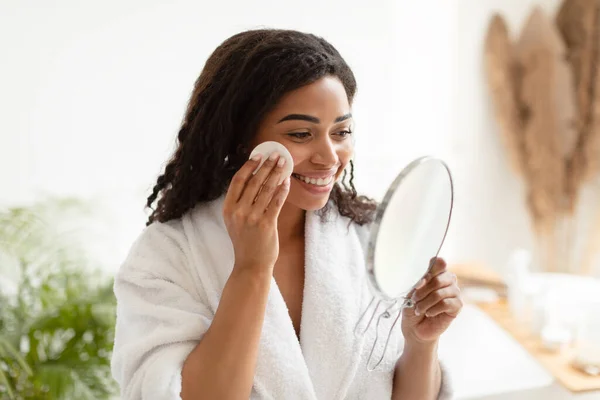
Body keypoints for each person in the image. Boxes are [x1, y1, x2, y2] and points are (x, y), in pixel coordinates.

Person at [110, 28, 462, 400]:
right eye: (300, 134)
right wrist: (252, 267)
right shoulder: (168, 257)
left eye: (341, 132)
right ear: (242, 137)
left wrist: (421, 342)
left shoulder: (369, 241)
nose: (329, 157)